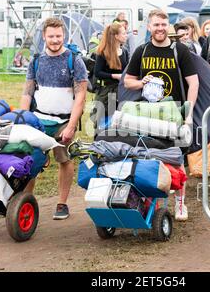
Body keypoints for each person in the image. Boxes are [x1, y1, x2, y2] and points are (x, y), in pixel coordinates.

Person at [124, 9, 199, 221]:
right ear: (149, 27)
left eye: (163, 25)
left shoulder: (180, 50)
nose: (160, 29)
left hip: (174, 114)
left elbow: (193, 82)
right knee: (148, 158)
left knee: (177, 158)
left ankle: (181, 204)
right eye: (156, 25)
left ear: (169, 27)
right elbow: (128, 81)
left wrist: (188, 113)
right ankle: (150, 204)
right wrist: (141, 82)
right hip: (147, 115)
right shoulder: (142, 51)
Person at [20, 18, 88, 220]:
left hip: (64, 121)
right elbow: (27, 92)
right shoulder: (36, 60)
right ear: (44, 36)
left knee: (64, 159)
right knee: (30, 160)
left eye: (59, 36)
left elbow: (81, 96)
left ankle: (62, 203)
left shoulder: (74, 60)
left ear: (64, 35)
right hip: (39, 119)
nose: (55, 40)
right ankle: (25, 202)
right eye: (51, 36)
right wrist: (23, 118)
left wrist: (71, 126)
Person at [92, 22, 129, 130]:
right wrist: (114, 76)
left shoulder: (125, 52)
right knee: (103, 122)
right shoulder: (102, 52)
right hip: (106, 92)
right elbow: (97, 73)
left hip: (122, 91)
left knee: (119, 121)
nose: (126, 35)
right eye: (123, 33)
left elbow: (126, 70)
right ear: (116, 36)